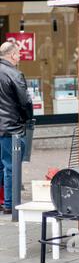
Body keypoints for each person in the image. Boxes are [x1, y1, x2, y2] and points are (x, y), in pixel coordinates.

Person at [0, 41, 33, 215]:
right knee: (11, 166)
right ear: (12, 55)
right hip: (10, 127)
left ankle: (3, 200)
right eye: (18, 54)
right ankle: (10, 204)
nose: (19, 57)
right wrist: (28, 119)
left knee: (1, 165)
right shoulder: (15, 74)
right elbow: (25, 102)